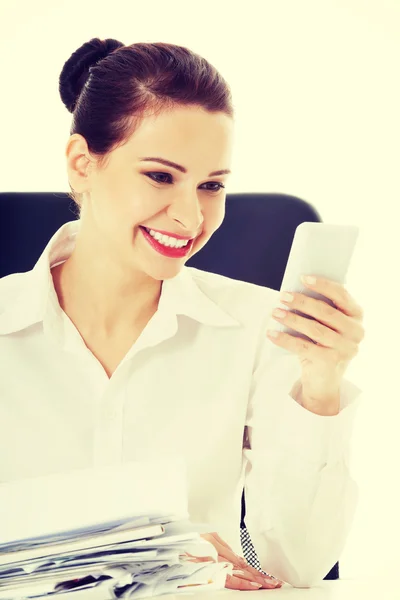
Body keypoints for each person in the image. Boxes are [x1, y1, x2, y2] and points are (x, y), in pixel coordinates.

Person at [0, 38, 365, 590]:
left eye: (212, 185)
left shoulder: (257, 328)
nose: (192, 216)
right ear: (82, 164)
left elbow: (296, 566)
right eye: (161, 176)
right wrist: (145, 549)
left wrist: (319, 388)